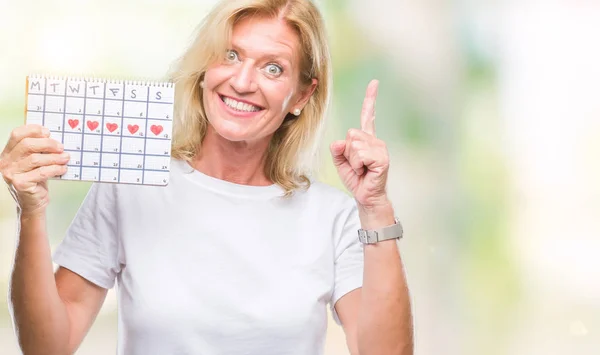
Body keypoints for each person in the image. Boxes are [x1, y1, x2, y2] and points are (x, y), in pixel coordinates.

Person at [1, 0, 413, 354]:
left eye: (273, 68)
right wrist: (31, 212)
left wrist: (376, 209)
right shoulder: (129, 187)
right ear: (205, 66)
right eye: (230, 55)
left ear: (303, 95)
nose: (242, 82)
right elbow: (47, 346)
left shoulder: (333, 216)